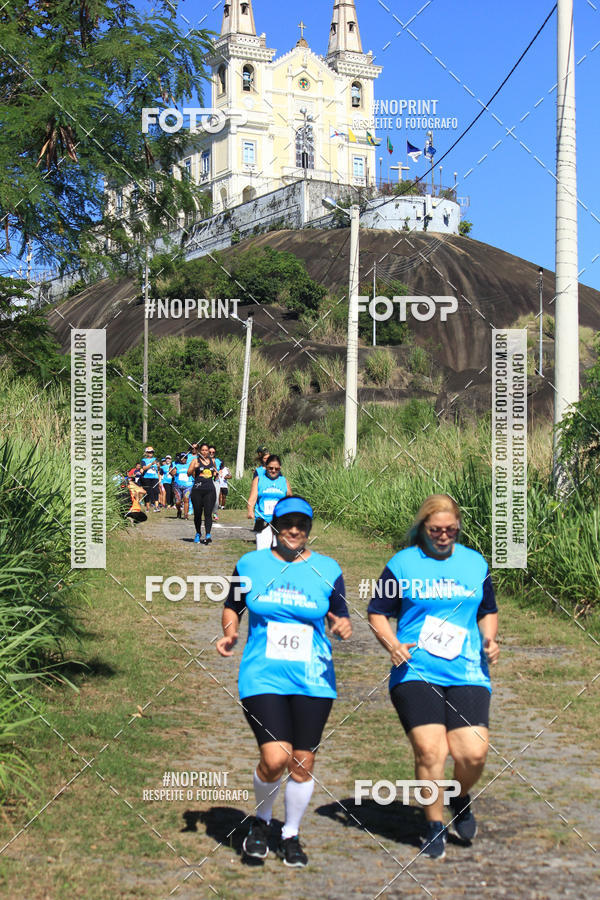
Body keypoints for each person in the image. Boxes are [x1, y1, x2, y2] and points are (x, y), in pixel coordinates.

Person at [216, 496, 352, 867]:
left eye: (302, 524)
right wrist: (230, 633)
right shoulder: (251, 564)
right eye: (288, 523)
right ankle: (261, 822)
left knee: (303, 763)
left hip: (314, 678)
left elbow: (340, 614)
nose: (295, 530)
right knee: (275, 757)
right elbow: (233, 605)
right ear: (275, 526)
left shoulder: (327, 568)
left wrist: (341, 626)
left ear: (309, 528)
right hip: (262, 675)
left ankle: (290, 833)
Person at [367, 494, 499, 860]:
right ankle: (433, 824)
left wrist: (489, 638)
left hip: (467, 669)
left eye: (451, 530)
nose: (443, 536)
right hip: (416, 669)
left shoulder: (475, 564)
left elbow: (488, 610)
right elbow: (377, 612)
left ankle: (458, 795)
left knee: (472, 753)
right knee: (431, 750)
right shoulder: (403, 565)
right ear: (423, 529)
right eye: (436, 530)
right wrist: (391, 643)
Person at [247, 455, 291, 551]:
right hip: (263, 520)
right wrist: (250, 510)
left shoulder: (284, 481)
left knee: (279, 554)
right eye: (270, 468)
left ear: (280, 468)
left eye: (277, 469)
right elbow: (252, 498)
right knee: (262, 552)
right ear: (266, 467)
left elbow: (290, 500)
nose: (273, 471)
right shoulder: (259, 479)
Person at [188, 442, 217, 544]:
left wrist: (216, 473)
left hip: (209, 490)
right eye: (203, 450)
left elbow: (215, 474)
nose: (204, 452)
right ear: (200, 451)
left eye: (206, 450)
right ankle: (198, 533)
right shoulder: (195, 460)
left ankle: (208, 534)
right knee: (198, 514)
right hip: (197, 490)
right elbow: (188, 473)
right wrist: (194, 467)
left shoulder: (212, 461)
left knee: (208, 513)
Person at [171, 452, 193, 520]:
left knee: (186, 499)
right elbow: (172, 473)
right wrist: (173, 471)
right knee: (178, 501)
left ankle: (186, 515)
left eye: (185, 457)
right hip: (177, 486)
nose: (183, 459)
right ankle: (179, 511)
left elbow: (193, 472)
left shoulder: (189, 465)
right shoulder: (176, 465)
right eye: (182, 458)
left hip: (188, 485)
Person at [140, 446, 161, 512]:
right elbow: (144, 468)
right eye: (149, 452)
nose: (151, 453)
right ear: (146, 453)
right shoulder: (144, 460)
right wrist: (151, 464)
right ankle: (148, 507)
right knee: (147, 492)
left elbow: (159, 468)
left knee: (156, 491)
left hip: (155, 477)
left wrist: (158, 466)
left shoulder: (155, 459)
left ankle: (157, 507)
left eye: (152, 452)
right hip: (147, 477)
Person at [208, 445, 222, 520]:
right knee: (208, 498)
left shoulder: (218, 461)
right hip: (207, 480)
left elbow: (221, 470)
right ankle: (208, 513)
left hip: (216, 480)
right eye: (210, 452)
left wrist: (218, 471)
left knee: (216, 498)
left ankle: (215, 512)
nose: (211, 453)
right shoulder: (204, 460)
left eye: (213, 452)